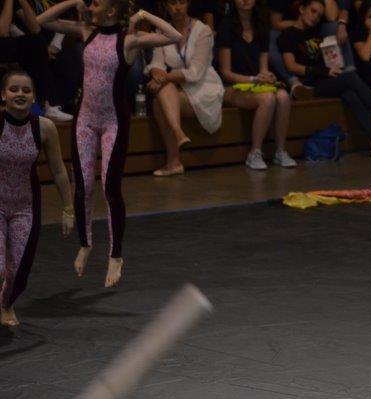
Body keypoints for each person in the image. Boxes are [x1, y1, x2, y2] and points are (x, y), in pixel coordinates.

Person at [38, 0, 182, 288]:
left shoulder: (129, 40)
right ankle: (85, 243)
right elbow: (42, 21)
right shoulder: (85, 30)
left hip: (113, 122)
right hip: (85, 120)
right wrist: (72, 2)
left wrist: (144, 14)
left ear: (111, 11)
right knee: (84, 185)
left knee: (109, 187)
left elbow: (174, 36)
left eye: (96, 2)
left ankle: (115, 255)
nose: (90, 5)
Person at [278, 0, 371, 159]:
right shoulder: (288, 35)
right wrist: (323, 70)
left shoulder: (318, 31)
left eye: (319, 15)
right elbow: (291, 66)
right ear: (302, 9)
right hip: (308, 84)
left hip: (326, 78)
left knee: (350, 94)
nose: (315, 17)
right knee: (350, 78)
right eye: (313, 11)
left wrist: (332, 62)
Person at [0, 70, 74, 326]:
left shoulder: (44, 128)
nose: (20, 94)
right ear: (3, 94)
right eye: (13, 89)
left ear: (34, 97)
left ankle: (6, 304)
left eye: (26, 90)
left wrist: (68, 209)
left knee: (18, 269)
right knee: (0, 267)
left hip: (25, 207)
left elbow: (59, 170)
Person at [145, 0, 224, 177]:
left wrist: (163, 78)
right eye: (173, 3)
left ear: (188, 4)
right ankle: (178, 135)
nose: (178, 7)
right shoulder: (162, 31)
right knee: (162, 93)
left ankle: (173, 161)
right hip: (178, 88)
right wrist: (156, 71)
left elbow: (195, 73)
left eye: (182, 2)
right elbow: (157, 63)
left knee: (160, 97)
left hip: (204, 88)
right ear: (166, 6)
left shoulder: (203, 31)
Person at [216, 0, 296, 170]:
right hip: (230, 86)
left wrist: (268, 76)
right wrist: (253, 79)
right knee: (267, 99)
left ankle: (280, 151)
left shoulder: (261, 26)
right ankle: (255, 152)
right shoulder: (226, 26)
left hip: (255, 84)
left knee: (283, 97)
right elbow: (225, 72)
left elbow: (263, 68)